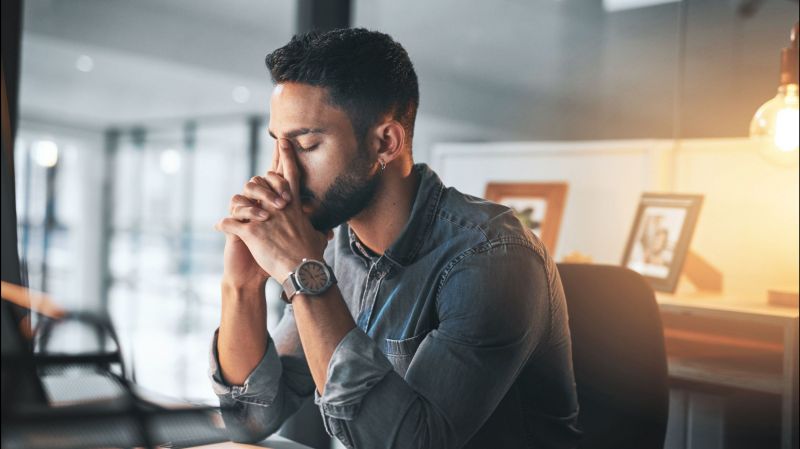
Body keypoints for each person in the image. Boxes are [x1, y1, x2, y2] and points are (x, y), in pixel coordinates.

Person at [210, 28, 581, 449]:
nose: (282, 171)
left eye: (307, 144)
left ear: (385, 142)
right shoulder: (332, 248)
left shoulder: (493, 258)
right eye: (278, 144)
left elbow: (411, 444)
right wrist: (241, 285)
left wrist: (304, 273)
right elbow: (250, 421)